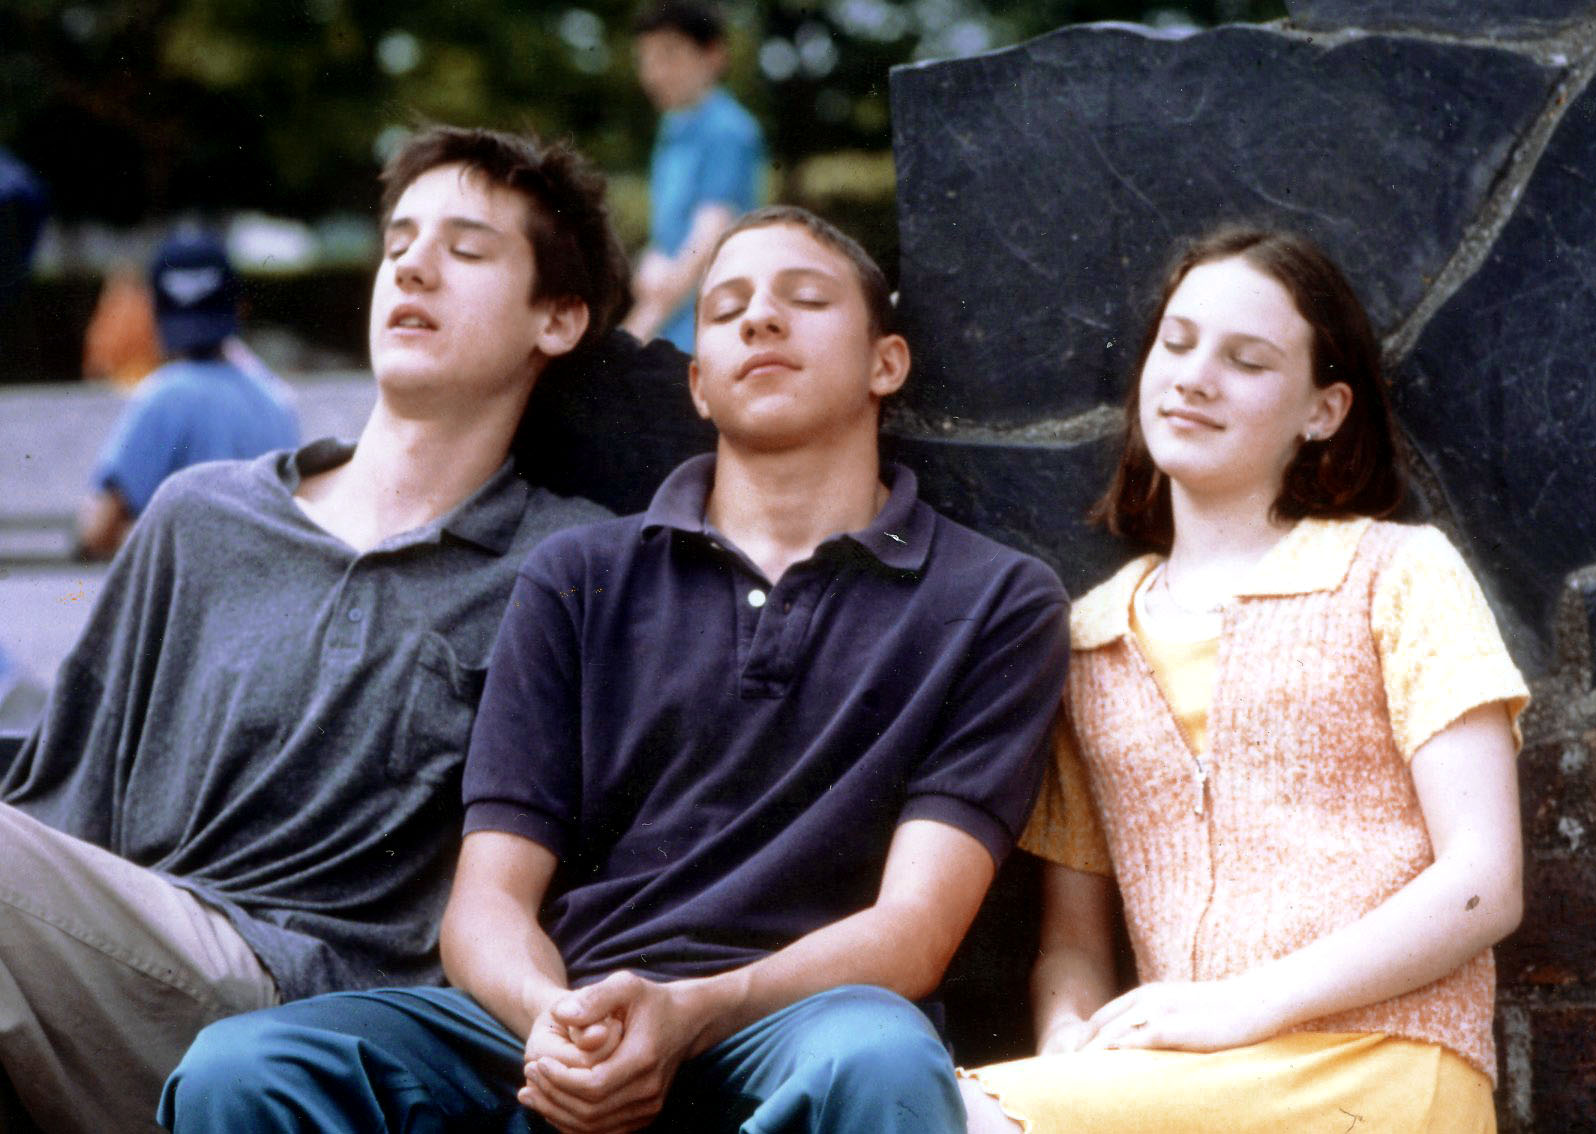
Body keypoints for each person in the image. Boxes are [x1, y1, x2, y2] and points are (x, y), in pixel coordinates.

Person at [160, 205, 1072, 1134]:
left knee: (882, 1058)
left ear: (887, 363)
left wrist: (695, 1012)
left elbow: (913, 932)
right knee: (244, 1070)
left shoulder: (993, 599)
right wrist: (554, 1025)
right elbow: (486, 905)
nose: (761, 319)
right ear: (699, 385)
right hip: (564, 1021)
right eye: (727, 310)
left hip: (801, 1031)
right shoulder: (578, 575)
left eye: (804, 299)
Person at [0, 124, 629, 1133]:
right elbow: (61, 800)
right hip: (104, 985)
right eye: (399, 243)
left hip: (308, 1020)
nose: (413, 266)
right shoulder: (201, 515)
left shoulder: (572, 563)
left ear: (556, 318)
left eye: (466, 250)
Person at [960, 226, 1529, 1133]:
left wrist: (1239, 1008)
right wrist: (1069, 1040)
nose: (1194, 378)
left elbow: (1484, 882)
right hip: (1187, 1088)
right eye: (1177, 343)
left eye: (1247, 360)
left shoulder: (1397, 575)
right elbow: (1073, 942)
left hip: (1386, 1065)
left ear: (1324, 411)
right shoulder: (1092, 641)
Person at [77, 230, 300, 557]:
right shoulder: (275, 399)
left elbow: (96, 531)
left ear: (154, 310)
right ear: (240, 307)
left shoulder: (165, 395)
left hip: (192, 584)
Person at [621, 0, 765, 352]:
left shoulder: (728, 130)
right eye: (645, 59)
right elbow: (669, 230)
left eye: (669, 55)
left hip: (706, 329)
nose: (654, 73)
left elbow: (707, 241)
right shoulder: (672, 127)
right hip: (668, 321)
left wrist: (639, 328)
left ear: (713, 55)